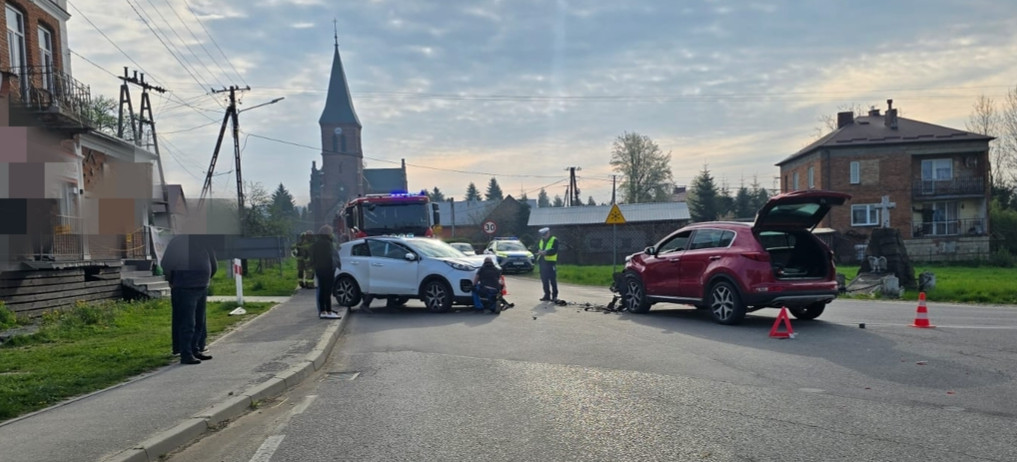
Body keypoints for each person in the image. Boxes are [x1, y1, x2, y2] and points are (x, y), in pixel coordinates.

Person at [161, 233, 217, 365]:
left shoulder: (204, 241)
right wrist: (171, 280)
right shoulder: (178, 242)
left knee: (199, 322)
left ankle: (195, 349)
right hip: (184, 286)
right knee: (187, 323)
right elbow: (167, 264)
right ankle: (186, 354)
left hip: (201, 286)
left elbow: (213, 262)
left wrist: (207, 277)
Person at [310, 225, 341, 319]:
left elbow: (312, 257)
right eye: (331, 232)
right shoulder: (328, 243)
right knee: (327, 291)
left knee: (322, 289)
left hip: (319, 269)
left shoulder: (315, 244)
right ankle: (328, 311)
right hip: (328, 269)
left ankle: (323, 311)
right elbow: (332, 256)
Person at [535, 227, 559, 302]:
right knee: (544, 280)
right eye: (543, 235)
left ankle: (554, 296)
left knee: (552, 280)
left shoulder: (554, 240)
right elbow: (536, 247)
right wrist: (538, 251)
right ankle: (547, 295)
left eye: (545, 235)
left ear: (548, 233)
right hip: (542, 262)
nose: (544, 237)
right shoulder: (541, 240)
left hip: (550, 262)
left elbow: (554, 250)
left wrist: (545, 252)